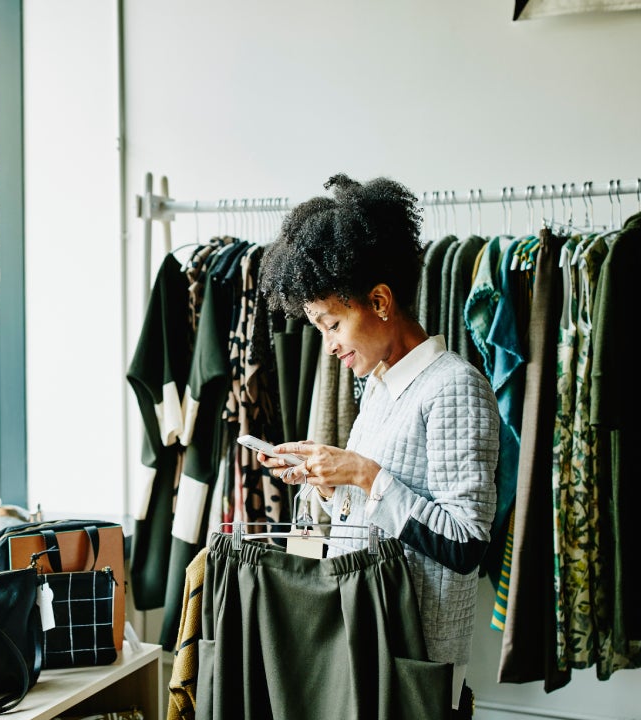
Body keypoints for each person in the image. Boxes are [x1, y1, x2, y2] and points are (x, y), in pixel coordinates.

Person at [256, 174, 500, 717]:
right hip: (367, 646)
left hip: (416, 662)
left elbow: (466, 544)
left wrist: (364, 474)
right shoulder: (381, 388)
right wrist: (325, 482)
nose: (329, 345)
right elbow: (374, 517)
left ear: (381, 300)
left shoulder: (455, 386)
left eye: (333, 323)